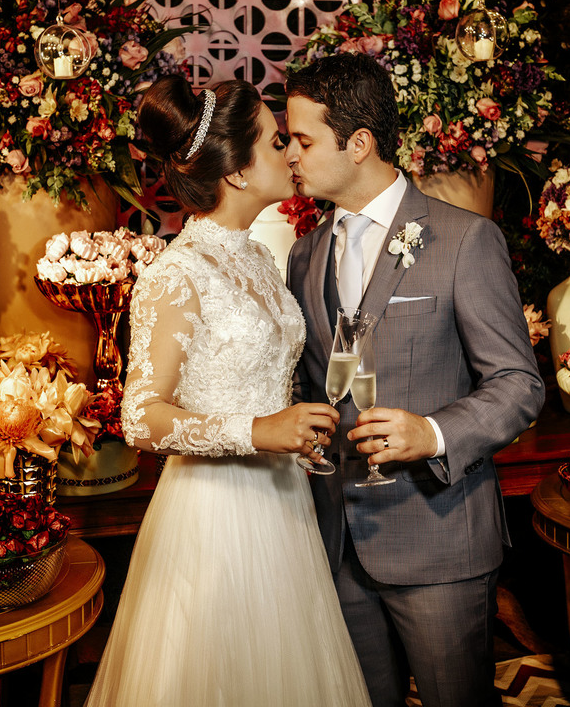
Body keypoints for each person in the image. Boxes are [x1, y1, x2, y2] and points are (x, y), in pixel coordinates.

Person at [84, 75, 372, 707]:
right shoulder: (175, 272)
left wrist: (293, 435)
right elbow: (139, 416)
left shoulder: (262, 260)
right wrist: (258, 430)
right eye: (276, 143)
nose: (292, 155)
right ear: (237, 173)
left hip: (283, 502)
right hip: (214, 516)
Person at [284, 52, 546, 707]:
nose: (290, 153)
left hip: (439, 541)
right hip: (340, 539)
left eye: (304, 139)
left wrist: (431, 433)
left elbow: (519, 383)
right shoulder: (306, 251)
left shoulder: (464, 241)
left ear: (361, 143)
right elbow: (318, 381)